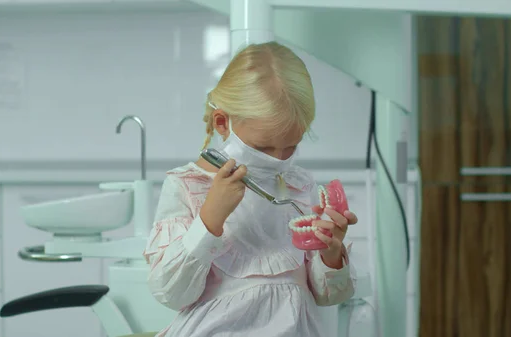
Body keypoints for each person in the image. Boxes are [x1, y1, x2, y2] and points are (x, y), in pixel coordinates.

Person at [144, 41, 358, 336]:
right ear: (222, 123)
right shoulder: (187, 186)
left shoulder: (299, 185)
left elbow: (328, 296)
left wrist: (331, 251)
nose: (277, 159)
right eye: (263, 147)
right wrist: (210, 220)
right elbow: (172, 294)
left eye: (290, 147)